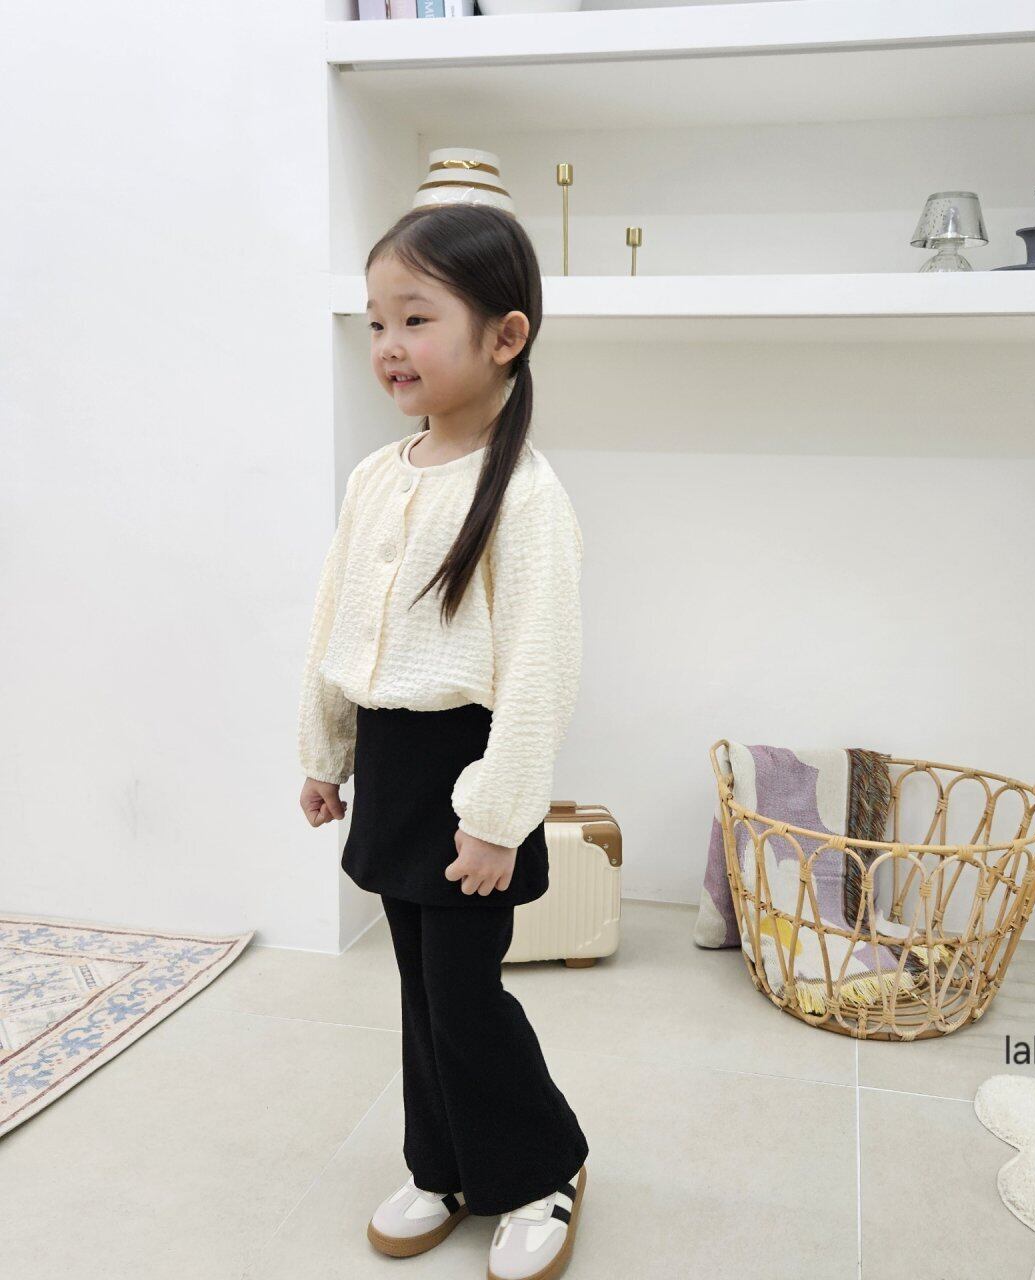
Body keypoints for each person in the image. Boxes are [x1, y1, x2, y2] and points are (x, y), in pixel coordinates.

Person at [296, 202, 588, 1280]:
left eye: (415, 318)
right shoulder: (377, 475)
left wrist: (499, 817)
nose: (388, 344)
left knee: (465, 997)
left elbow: (540, 673)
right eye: (377, 322)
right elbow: (335, 625)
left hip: (474, 775)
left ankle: (541, 1166)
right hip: (394, 763)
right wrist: (325, 752)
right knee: (419, 990)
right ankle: (443, 1165)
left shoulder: (525, 494)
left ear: (504, 335)